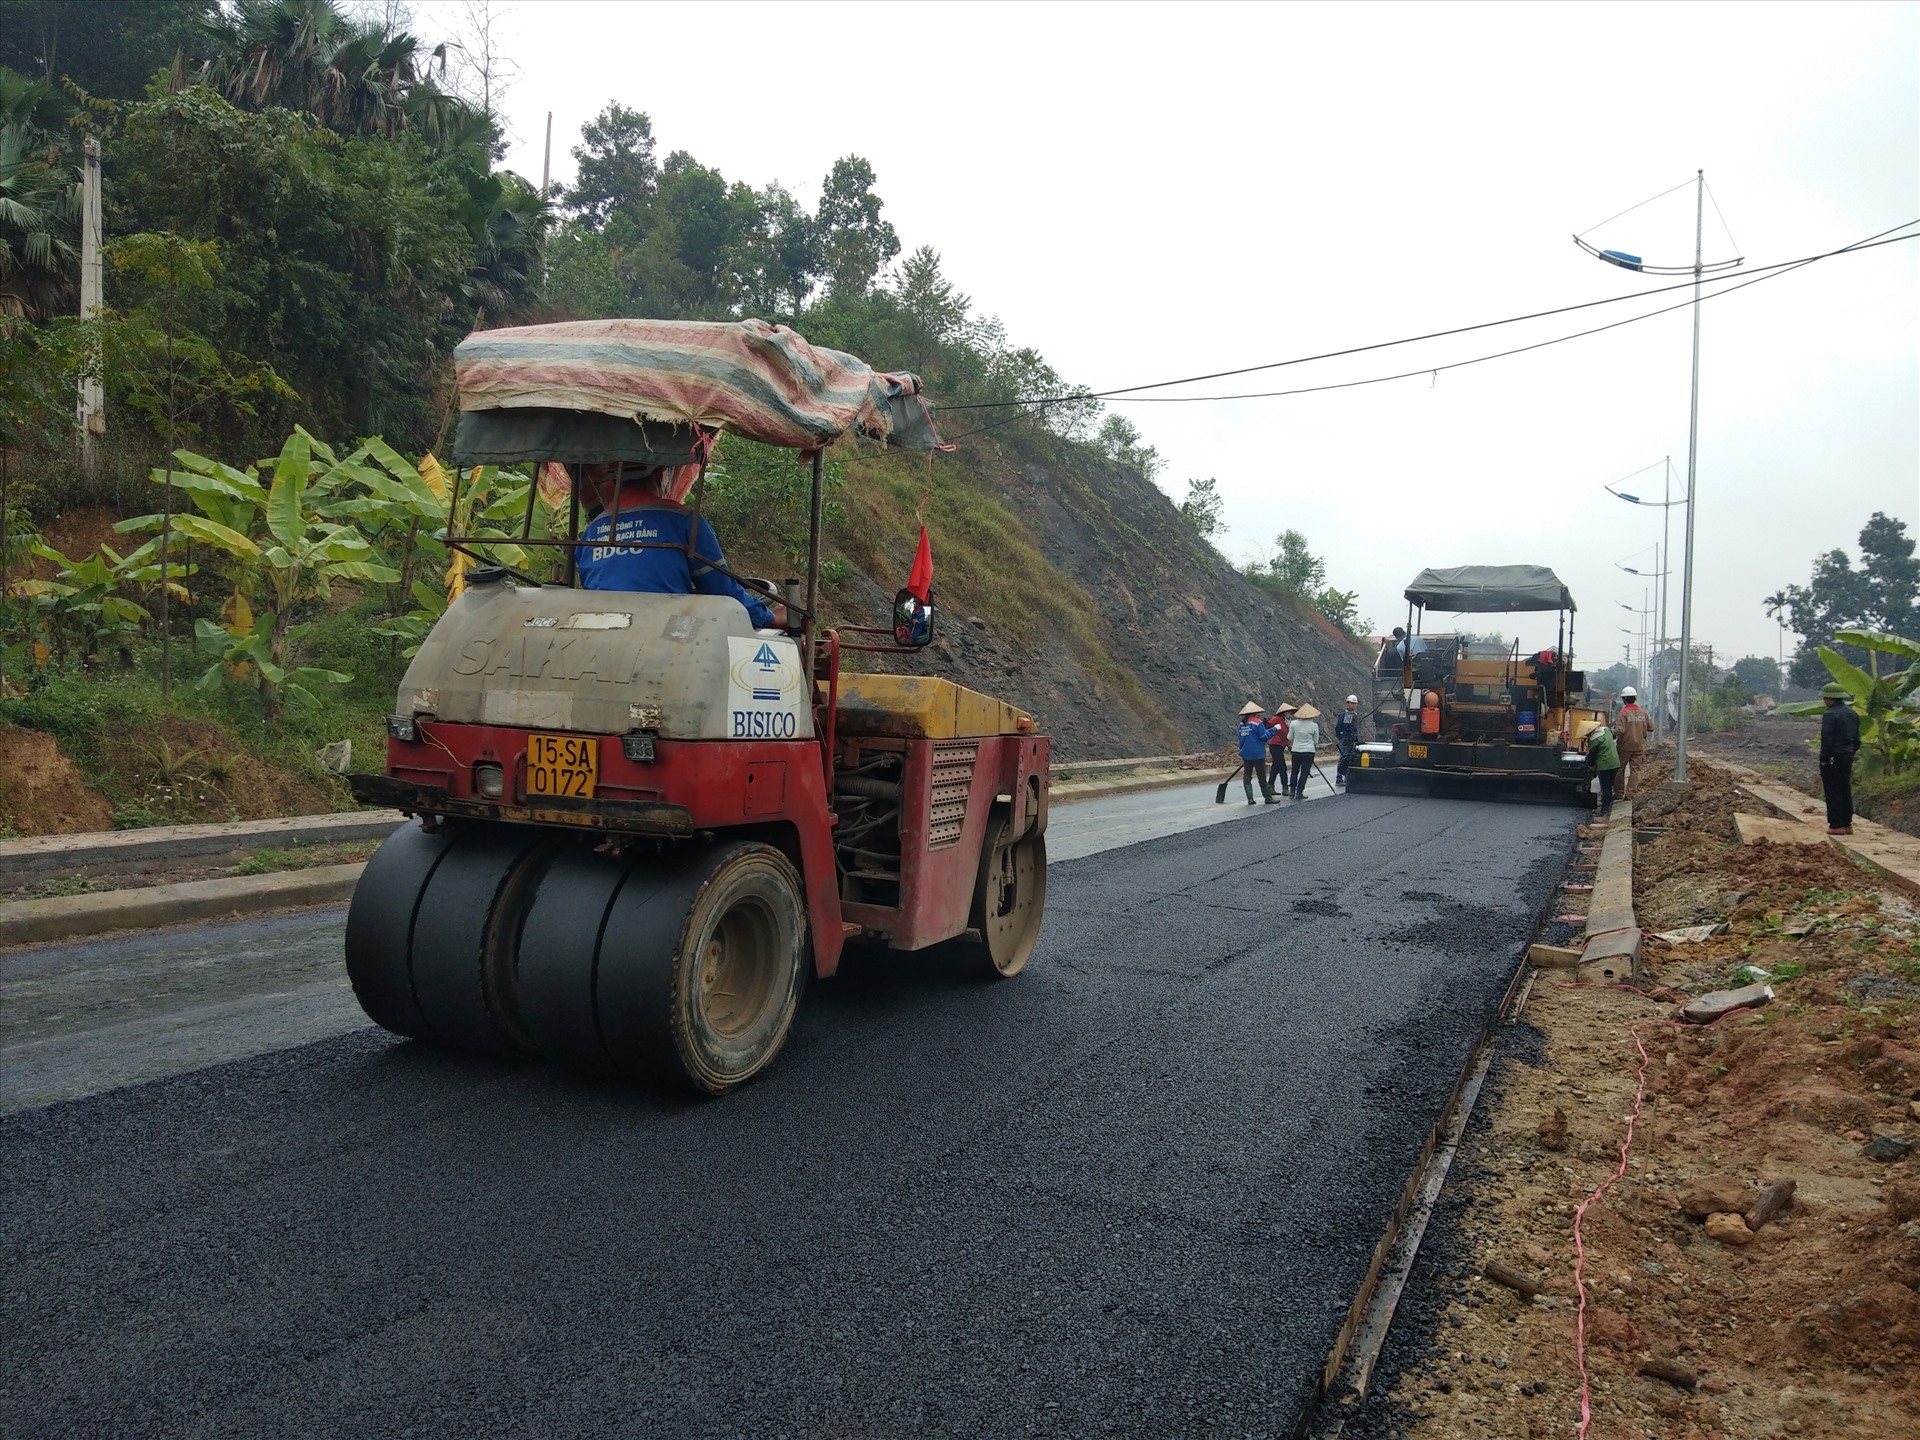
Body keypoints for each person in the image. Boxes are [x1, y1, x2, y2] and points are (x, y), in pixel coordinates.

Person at [574, 462, 782, 629]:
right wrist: (770, 617)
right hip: (665, 636)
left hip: (599, 633)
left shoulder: (591, 533)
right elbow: (722, 590)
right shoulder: (684, 521)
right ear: (660, 475)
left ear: (613, 481)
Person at [1818, 682, 1861, 835]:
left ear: (1831, 699)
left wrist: (1824, 758)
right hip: (1847, 755)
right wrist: (1850, 751)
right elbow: (1857, 739)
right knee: (1844, 788)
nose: (1824, 701)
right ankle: (1847, 823)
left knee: (1832, 790)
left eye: (1825, 698)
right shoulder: (1852, 714)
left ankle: (1836, 825)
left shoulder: (1830, 715)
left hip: (1833, 757)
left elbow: (1827, 739)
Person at [1613, 686, 1653, 797]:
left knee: (1619, 769)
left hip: (1624, 746)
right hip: (1639, 746)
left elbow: (1620, 730)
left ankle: (1619, 793)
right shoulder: (1643, 713)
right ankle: (1630, 794)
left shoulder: (1623, 713)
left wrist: (1611, 731)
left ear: (1624, 699)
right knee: (1635, 770)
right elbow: (1651, 727)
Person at [1236, 702, 1278, 805]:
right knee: (1261, 776)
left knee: (1247, 776)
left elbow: (1241, 738)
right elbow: (1264, 737)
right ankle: (1268, 798)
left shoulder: (1241, 724)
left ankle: (1250, 799)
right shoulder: (1258, 723)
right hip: (1258, 754)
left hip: (1245, 753)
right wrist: (1274, 729)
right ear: (1256, 713)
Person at [1586, 721, 1622, 817]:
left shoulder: (1593, 739)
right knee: (1610, 785)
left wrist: (1590, 765)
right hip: (1615, 762)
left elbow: (1592, 755)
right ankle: (1608, 805)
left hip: (1604, 765)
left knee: (1605, 787)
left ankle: (1604, 810)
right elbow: (1614, 736)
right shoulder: (1606, 730)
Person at [1288, 703, 1322, 800]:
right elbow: (1315, 741)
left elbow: (1289, 737)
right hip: (1308, 751)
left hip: (1296, 751)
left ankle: (1292, 791)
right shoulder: (1314, 725)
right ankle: (1299, 792)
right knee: (1304, 772)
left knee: (1294, 771)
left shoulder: (1293, 723)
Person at [1267, 704, 1295, 799]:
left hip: (1282, 746)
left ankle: (1270, 786)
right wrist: (1273, 729)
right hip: (1275, 745)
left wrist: (1290, 745)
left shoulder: (1288, 722)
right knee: (1282, 766)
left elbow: (1288, 735)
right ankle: (1285, 787)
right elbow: (1268, 726)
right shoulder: (1276, 719)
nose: (1290, 714)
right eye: (1288, 712)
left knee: (1275, 767)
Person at [1334, 694, 1360, 786]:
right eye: (1351, 703)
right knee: (1343, 758)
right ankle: (1339, 778)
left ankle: (1347, 777)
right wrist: (1341, 737)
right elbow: (1338, 727)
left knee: (1350, 759)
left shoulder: (1355, 715)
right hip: (1345, 739)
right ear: (1347, 703)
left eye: (1355, 703)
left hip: (1353, 740)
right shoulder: (1343, 714)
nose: (1353, 705)